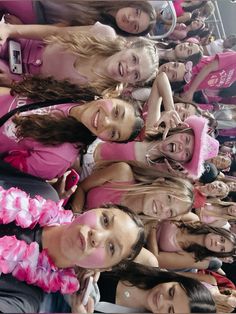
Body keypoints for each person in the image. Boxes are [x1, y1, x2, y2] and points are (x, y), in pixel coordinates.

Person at [0, 87, 143, 180]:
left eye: (113, 133)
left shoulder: (57, 158)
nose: (106, 122)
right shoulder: (75, 90)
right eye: (116, 112)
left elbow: (5, 170)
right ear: (112, 95)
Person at [0, 23, 159, 94]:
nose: (129, 69)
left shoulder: (99, 92)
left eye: (136, 75)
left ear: (132, 83)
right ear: (128, 46)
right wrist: (10, 29)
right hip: (21, 43)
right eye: (134, 59)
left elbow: (43, 95)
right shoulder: (104, 33)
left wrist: (13, 82)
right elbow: (54, 32)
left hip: (18, 78)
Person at [90, 115, 219, 179]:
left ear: (182, 162)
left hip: (87, 172)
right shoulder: (153, 127)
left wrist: (173, 177)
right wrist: (170, 108)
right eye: (185, 139)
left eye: (186, 153)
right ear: (182, 130)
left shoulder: (157, 170)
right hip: (91, 143)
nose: (181, 147)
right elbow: (161, 80)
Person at [68, 162, 194, 221]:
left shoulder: (135, 227)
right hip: (64, 201)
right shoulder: (122, 172)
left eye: (171, 212)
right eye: (169, 198)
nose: (164, 208)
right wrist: (75, 216)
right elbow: (82, 187)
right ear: (159, 182)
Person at [0, 0, 156, 36]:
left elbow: (56, 31)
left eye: (135, 26)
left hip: (35, 13)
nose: (131, 19)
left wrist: (20, 28)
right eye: (136, 12)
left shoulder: (100, 30)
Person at [145, 220, 236, 270]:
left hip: (139, 244)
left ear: (217, 253)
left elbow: (156, 259)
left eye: (222, 249)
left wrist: (152, 226)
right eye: (222, 239)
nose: (218, 243)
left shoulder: (191, 258)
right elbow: (168, 214)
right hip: (143, 218)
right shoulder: (194, 220)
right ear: (218, 232)